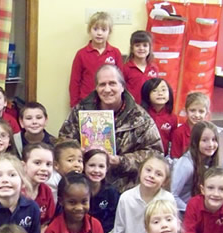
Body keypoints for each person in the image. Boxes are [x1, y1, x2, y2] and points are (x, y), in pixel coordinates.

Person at [60, 64, 163, 193]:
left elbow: (156, 154)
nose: (107, 89)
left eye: (112, 83)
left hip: (125, 190)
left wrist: (122, 161)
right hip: (84, 189)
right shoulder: (81, 111)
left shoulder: (140, 117)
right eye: (102, 84)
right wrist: (79, 153)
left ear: (122, 87)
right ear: (96, 88)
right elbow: (63, 141)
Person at [113, 153, 175, 233]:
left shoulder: (168, 199)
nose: (151, 176)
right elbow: (119, 229)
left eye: (158, 174)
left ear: (165, 181)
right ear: (140, 171)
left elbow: (172, 229)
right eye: (148, 170)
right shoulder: (126, 198)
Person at [69, 11, 123, 108]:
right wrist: (74, 104)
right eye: (95, 29)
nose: (99, 33)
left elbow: (121, 80)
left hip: (109, 101)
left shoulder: (115, 53)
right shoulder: (81, 54)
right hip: (87, 101)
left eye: (103, 30)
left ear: (109, 32)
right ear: (89, 31)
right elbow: (75, 81)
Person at [171, 121, 219, 213]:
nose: (210, 145)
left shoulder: (209, 160)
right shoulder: (186, 164)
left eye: (214, 140)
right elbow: (172, 195)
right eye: (204, 140)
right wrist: (193, 212)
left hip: (200, 209)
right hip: (183, 213)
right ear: (195, 142)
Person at [83, 148, 119, 233]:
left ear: (107, 168)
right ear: (84, 166)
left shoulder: (111, 192)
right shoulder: (76, 188)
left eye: (101, 166)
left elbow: (113, 219)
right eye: (92, 165)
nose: (96, 170)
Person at [22, 143, 56, 233]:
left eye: (48, 164)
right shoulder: (15, 191)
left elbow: (45, 223)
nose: (44, 168)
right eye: (37, 163)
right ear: (23, 165)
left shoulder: (47, 191)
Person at [140, 78, 177, 156]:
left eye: (163, 90)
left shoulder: (172, 117)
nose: (160, 93)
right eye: (154, 90)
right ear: (147, 94)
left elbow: (173, 141)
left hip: (162, 157)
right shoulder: (141, 115)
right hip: (143, 155)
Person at [123, 30, 159, 105]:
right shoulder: (126, 68)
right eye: (137, 45)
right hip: (132, 107)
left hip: (150, 107)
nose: (141, 48)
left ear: (150, 48)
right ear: (132, 49)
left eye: (145, 45)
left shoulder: (154, 68)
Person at [170, 92, 210, 159]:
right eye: (192, 110)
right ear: (186, 111)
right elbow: (175, 158)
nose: (197, 115)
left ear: (207, 114)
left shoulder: (209, 132)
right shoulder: (178, 133)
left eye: (201, 111)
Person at [48, 139, 84, 204]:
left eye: (80, 161)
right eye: (70, 160)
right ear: (56, 165)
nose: (77, 165)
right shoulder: (52, 183)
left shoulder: (80, 180)